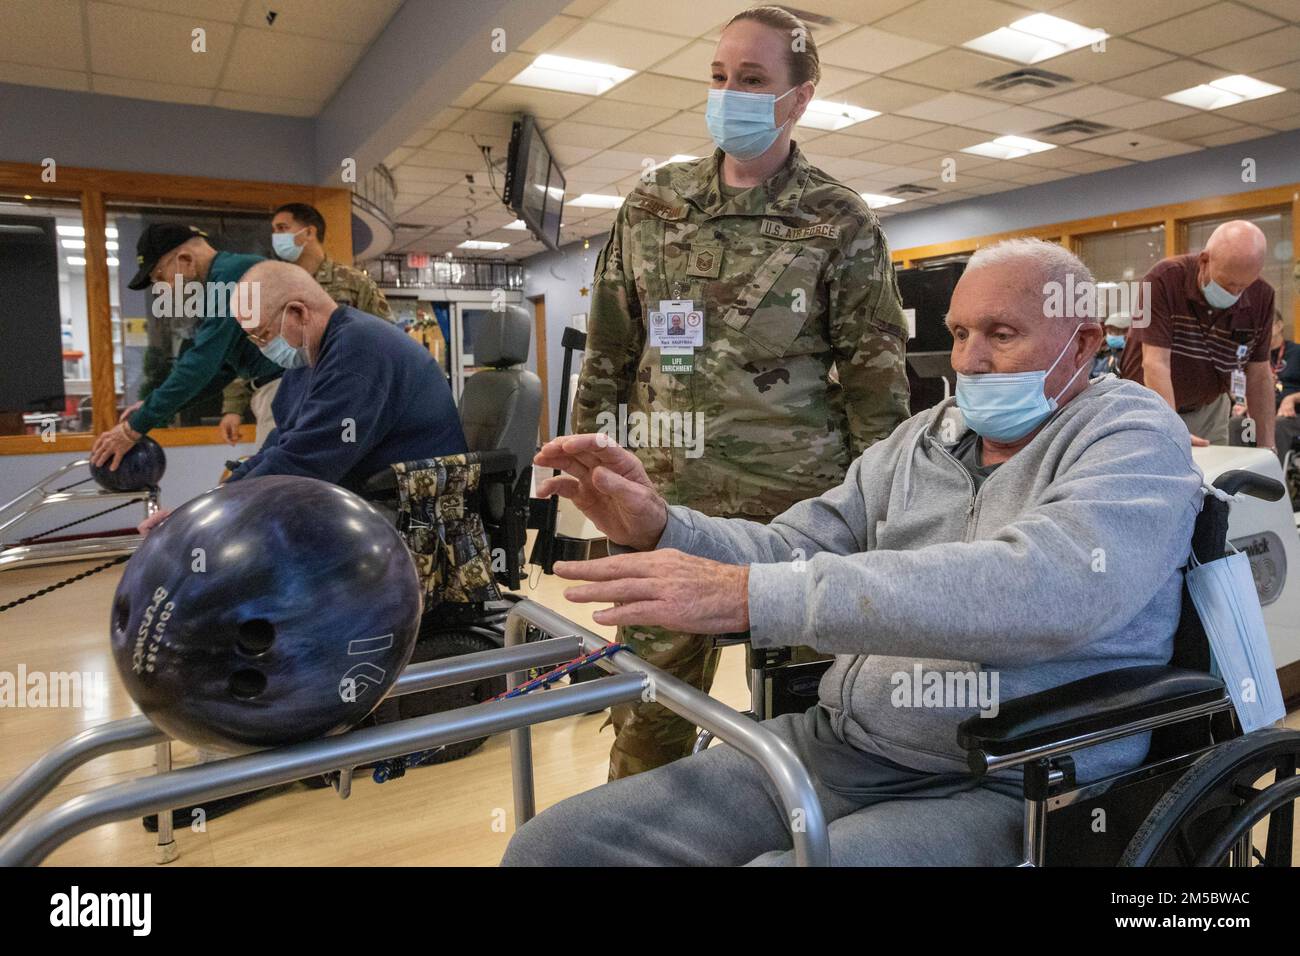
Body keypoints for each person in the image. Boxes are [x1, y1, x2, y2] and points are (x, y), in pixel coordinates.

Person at [501, 239, 1203, 867]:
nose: (970, 360)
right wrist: (665, 528)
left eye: (1001, 334)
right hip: (846, 748)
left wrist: (760, 596)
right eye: (958, 333)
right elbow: (794, 545)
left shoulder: (1135, 437)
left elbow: (1050, 587)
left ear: (1082, 344)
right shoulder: (924, 438)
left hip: (1019, 776)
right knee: (557, 847)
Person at [572, 5, 910, 779]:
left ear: (800, 97)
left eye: (753, 80)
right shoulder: (652, 207)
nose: (731, 94)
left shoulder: (839, 223)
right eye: (720, 77)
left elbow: (876, 389)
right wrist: (589, 481)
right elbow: (611, 354)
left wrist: (887, 520)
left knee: (808, 725)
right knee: (648, 721)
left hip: (796, 523)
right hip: (666, 508)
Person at [90, 224, 282, 470]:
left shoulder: (232, 277)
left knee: (278, 487)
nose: (164, 288)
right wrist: (153, 407)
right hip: (272, 389)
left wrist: (132, 429)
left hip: (285, 387)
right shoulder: (221, 279)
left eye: (160, 277)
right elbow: (220, 370)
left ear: (185, 260)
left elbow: (202, 362)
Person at [218, 202, 395, 446]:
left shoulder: (353, 283)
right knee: (277, 467)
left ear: (309, 233)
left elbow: (386, 340)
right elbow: (253, 346)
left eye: (282, 228)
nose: (276, 237)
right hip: (281, 395)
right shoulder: (272, 285)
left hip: (338, 394)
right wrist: (233, 406)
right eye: (274, 230)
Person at [1120, 221, 1276, 449]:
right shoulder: (1164, 279)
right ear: (1204, 261)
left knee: (1214, 480)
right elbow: (1156, 363)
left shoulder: (1262, 295)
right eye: (1229, 284)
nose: (1235, 294)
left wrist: (1267, 446)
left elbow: (1259, 375)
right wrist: (1171, 428)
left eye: (1243, 287)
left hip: (1209, 410)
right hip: (1150, 407)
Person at [1271, 310, 1300, 469]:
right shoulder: (1257, 357)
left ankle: (1274, 484)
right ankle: (1241, 480)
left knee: (1278, 424)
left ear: (1279, 325)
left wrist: (1292, 398)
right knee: (1238, 423)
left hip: (1294, 415)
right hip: (1266, 413)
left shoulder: (1296, 352)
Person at [1090, 312, 1130, 377]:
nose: (1113, 335)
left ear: (1128, 332)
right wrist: (1094, 352)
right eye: (1110, 331)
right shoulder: (1101, 350)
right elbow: (1089, 375)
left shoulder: (1130, 355)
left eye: (1118, 331)